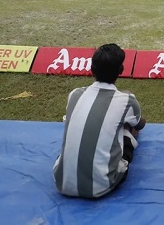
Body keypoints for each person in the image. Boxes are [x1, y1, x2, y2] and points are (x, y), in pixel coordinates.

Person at [53, 43, 146, 198]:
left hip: (61, 182)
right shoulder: (127, 100)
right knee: (128, 132)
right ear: (121, 71)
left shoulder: (75, 94)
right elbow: (139, 124)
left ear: (91, 70)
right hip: (101, 186)